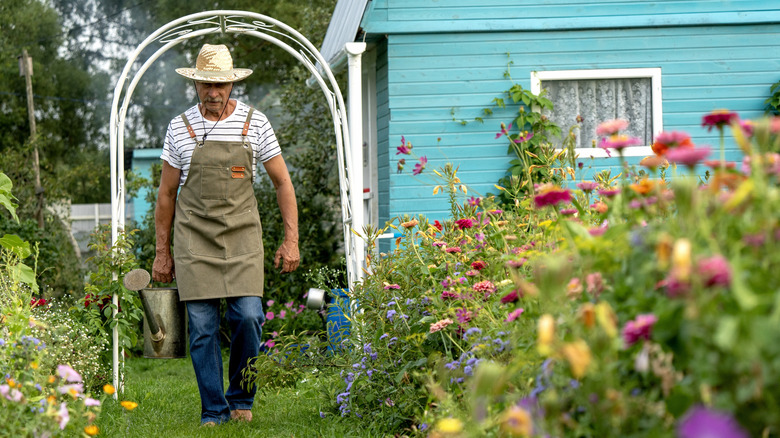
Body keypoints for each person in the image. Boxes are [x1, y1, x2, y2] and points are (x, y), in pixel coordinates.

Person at [152, 43, 300, 426]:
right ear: (196, 84)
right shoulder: (179, 128)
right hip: (194, 239)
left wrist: (291, 240)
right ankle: (213, 411)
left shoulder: (256, 123)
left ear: (232, 84)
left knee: (249, 317)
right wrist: (161, 253)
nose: (213, 93)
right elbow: (167, 194)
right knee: (201, 328)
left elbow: (283, 183)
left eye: (220, 85)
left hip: (242, 237)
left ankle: (241, 400)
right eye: (206, 85)